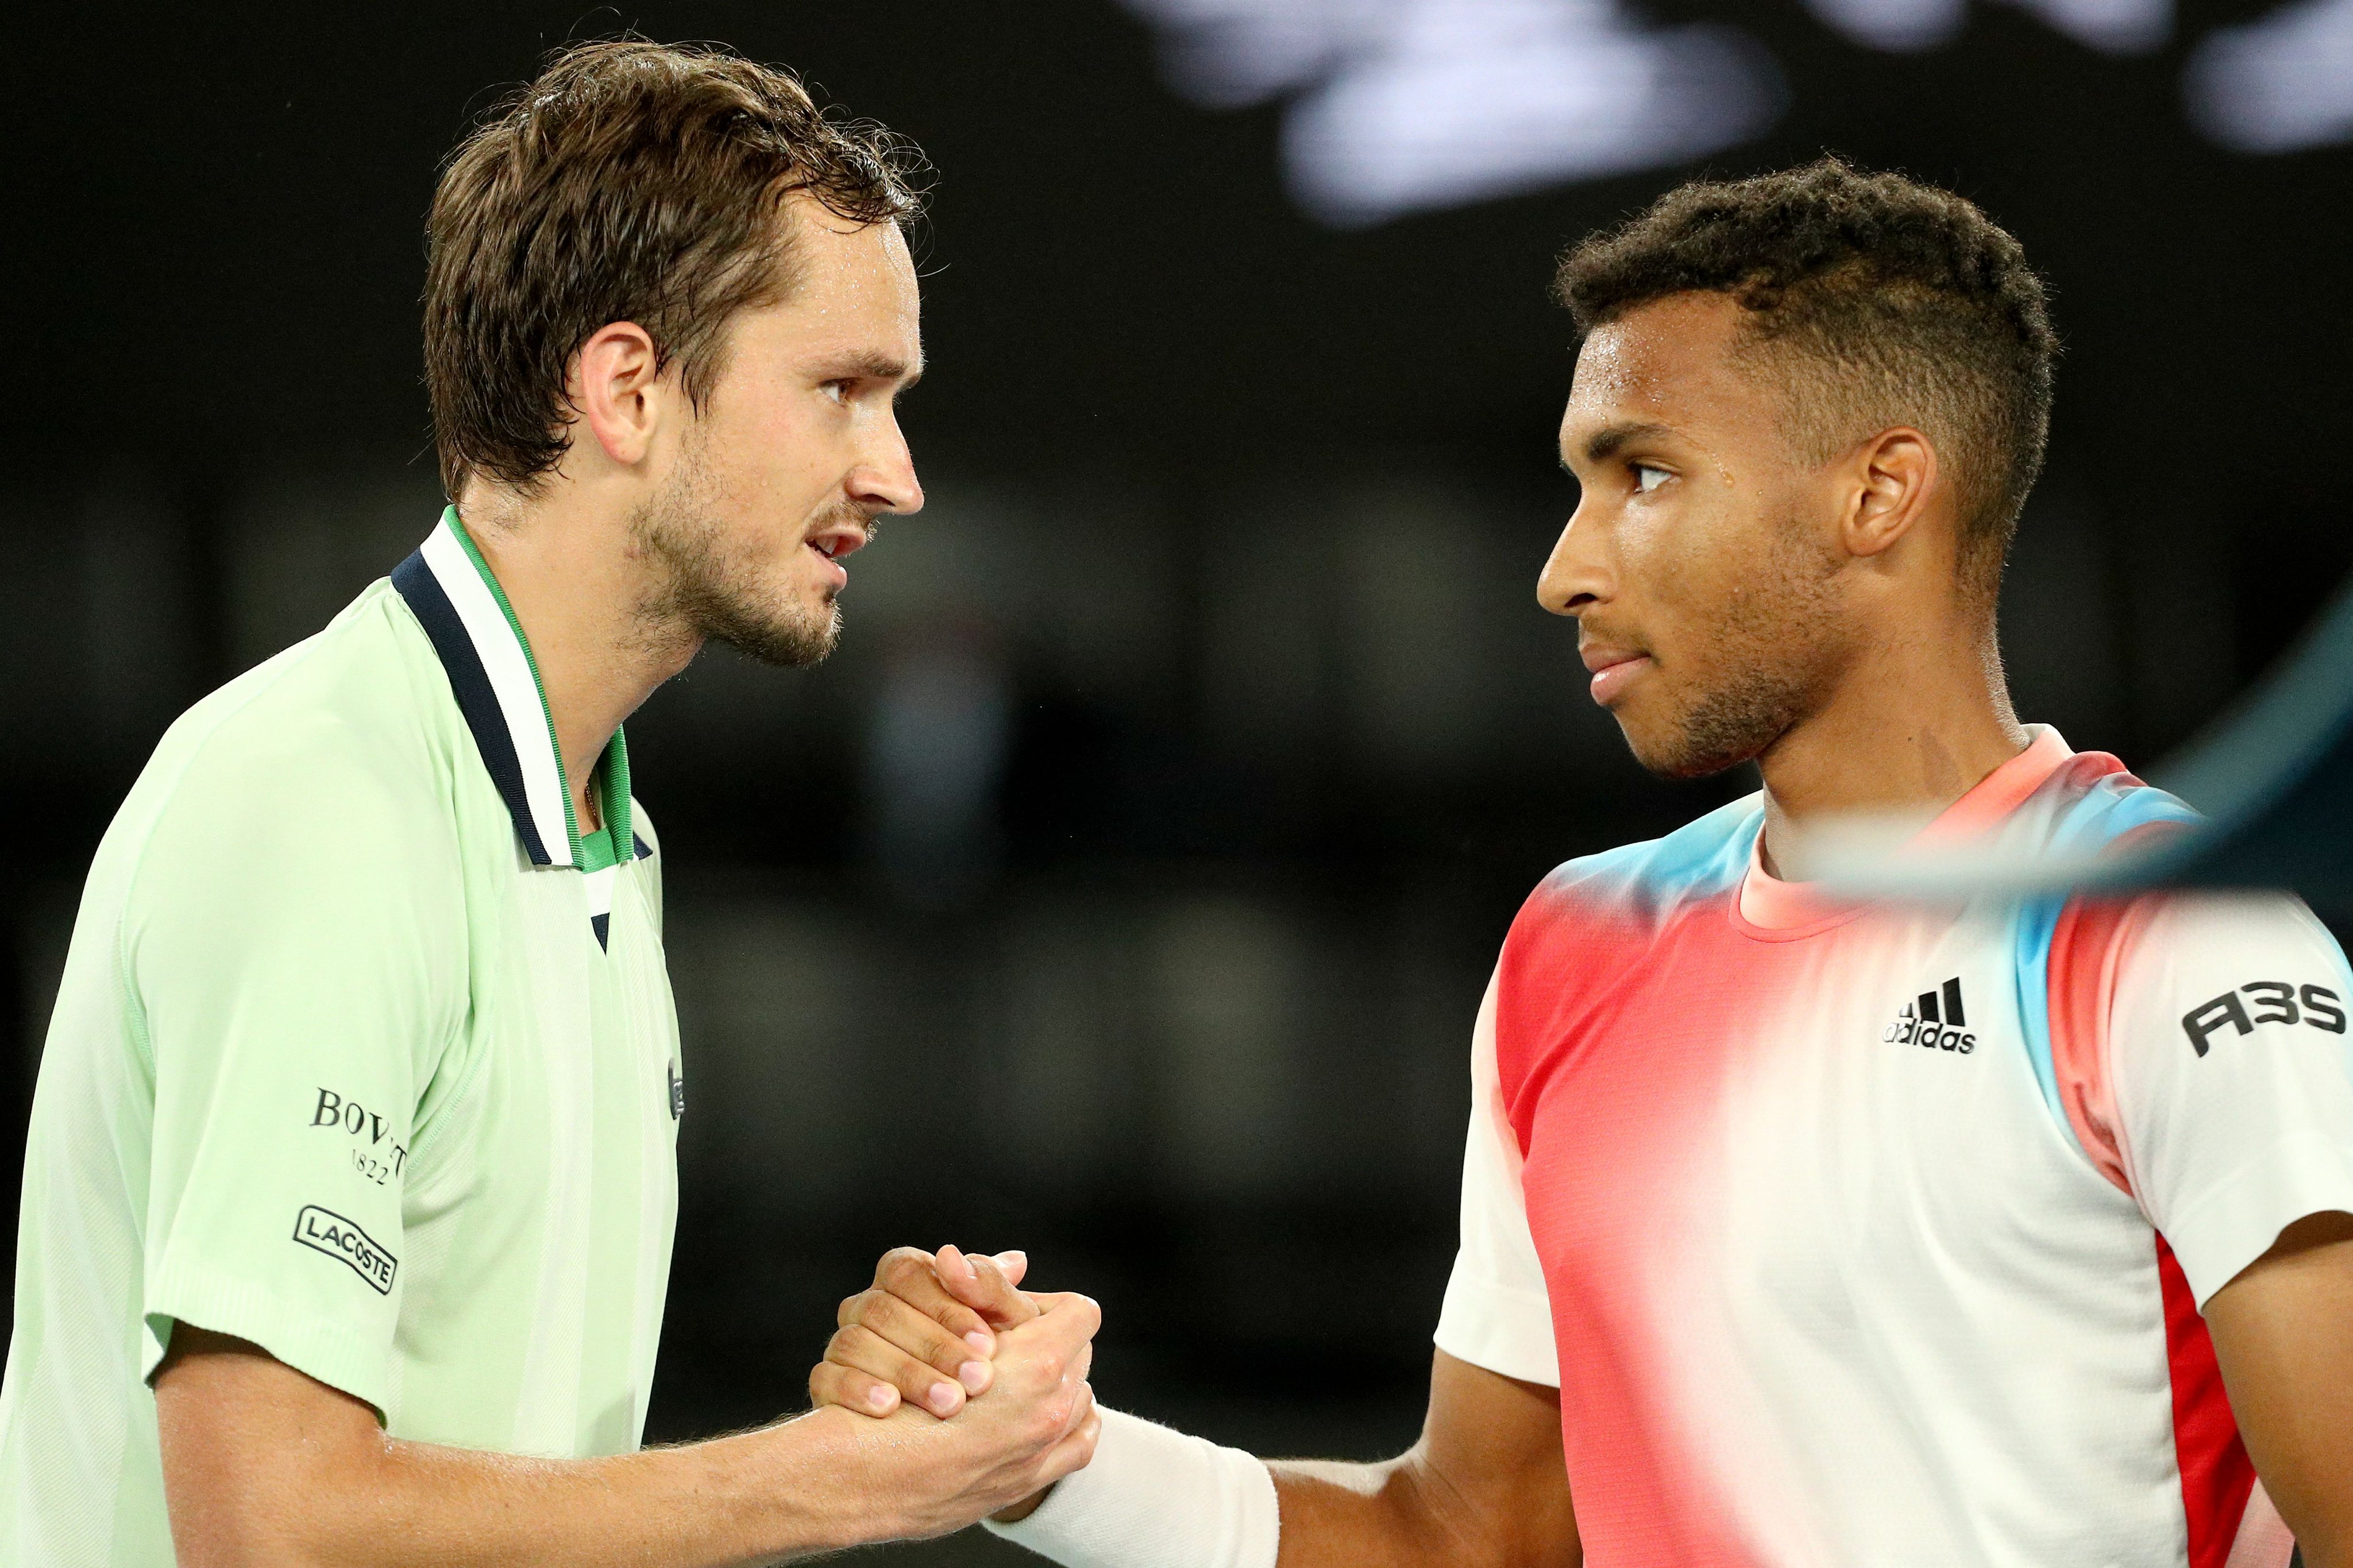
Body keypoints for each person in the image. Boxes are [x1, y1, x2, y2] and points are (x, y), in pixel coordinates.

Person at [816, 161, 2353, 1567]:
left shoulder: (2175, 935)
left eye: (1646, 474)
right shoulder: (1578, 942)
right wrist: (1043, 1464)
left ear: (1879, 492)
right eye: (1576, 481)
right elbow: (1470, 1532)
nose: (1566, 567)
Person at [0, 40, 1100, 1566]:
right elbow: (272, 1525)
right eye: (845, 388)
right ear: (629, 388)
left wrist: (872, 1419)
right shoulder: (319, 802)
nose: (899, 471)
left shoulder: (595, 827)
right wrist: (847, 1482)